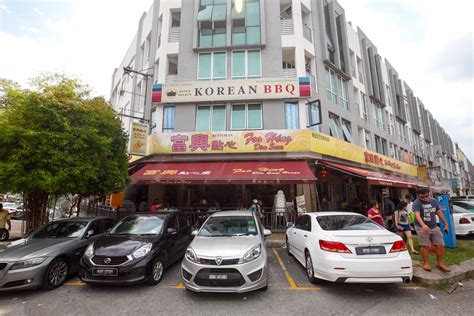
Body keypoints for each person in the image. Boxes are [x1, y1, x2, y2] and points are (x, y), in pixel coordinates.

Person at [412, 188, 450, 272]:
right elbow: (417, 215)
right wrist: (423, 225)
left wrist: (446, 223)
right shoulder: (416, 203)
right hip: (421, 226)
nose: (425, 198)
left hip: (434, 226)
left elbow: (439, 212)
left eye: (426, 196)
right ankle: (426, 263)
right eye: (422, 197)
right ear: (418, 196)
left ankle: (439, 263)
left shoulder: (433, 201)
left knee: (441, 245)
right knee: (424, 245)